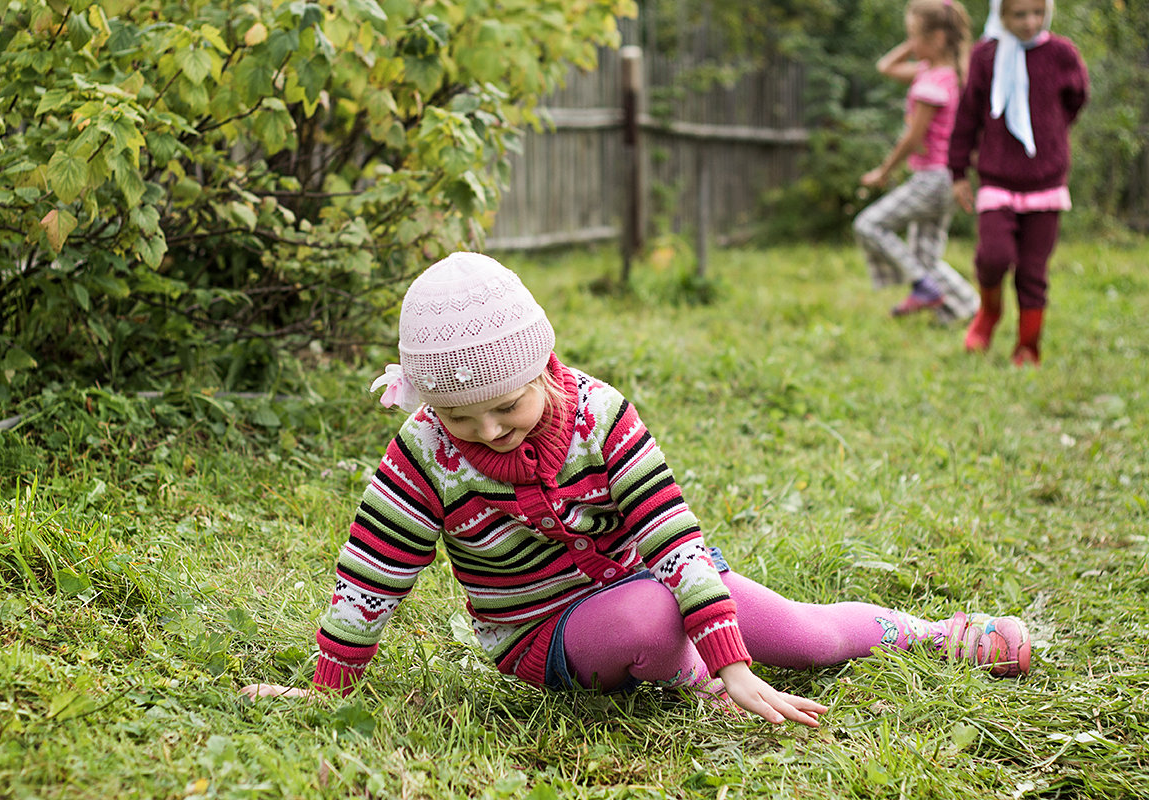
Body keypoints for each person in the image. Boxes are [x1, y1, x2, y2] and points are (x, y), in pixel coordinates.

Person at [241, 252, 1032, 725]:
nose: (485, 432)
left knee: (804, 639)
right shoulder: (424, 455)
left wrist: (737, 655)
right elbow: (371, 575)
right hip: (544, 633)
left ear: (544, 366)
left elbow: (670, 537)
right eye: (458, 415)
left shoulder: (602, 415)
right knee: (656, 621)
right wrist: (325, 687)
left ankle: (935, 633)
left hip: (654, 573)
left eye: (506, 406)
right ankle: (697, 681)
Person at [948, 0, 1088, 366]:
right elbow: (967, 117)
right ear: (1001, 15)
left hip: (1046, 182)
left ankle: (1027, 346)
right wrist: (958, 172)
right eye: (1019, 15)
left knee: (1032, 271)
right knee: (994, 256)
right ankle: (989, 312)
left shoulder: (1061, 53)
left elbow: (1077, 98)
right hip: (997, 179)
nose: (1030, 22)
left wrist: (1051, 131)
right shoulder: (985, 56)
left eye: (1037, 13)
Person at [854, 0, 979, 323]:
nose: (909, 44)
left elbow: (912, 139)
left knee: (869, 225)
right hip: (949, 178)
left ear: (937, 38)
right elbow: (885, 67)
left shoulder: (933, 84)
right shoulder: (948, 74)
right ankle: (964, 308)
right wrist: (915, 42)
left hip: (933, 178)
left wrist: (883, 172)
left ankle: (923, 288)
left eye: (913, 35)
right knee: (926, 257)